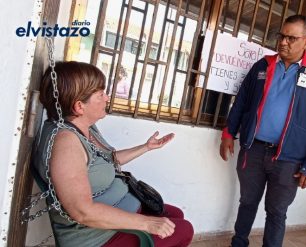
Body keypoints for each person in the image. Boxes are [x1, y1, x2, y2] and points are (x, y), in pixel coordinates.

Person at [34, 61, 193, 247]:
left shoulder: (83, 126)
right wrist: (147, 224)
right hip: (98, 237)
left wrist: (146, 147)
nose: (107, 98)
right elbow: (82, 212)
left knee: (175, 215)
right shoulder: (66, 144)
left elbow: (107, 160)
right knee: (184, 229)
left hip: (120, 208)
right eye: (100, 94)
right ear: (79, 106)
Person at [219, 15, 306, 247]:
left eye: (291, 38)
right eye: (281, 36)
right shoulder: (262, 66)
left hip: (289, 159)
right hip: (253, 150)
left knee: (276, 212)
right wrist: (228, 133)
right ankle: (238, 242)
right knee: (247, 202)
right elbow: (241, 101)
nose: (283, 42)